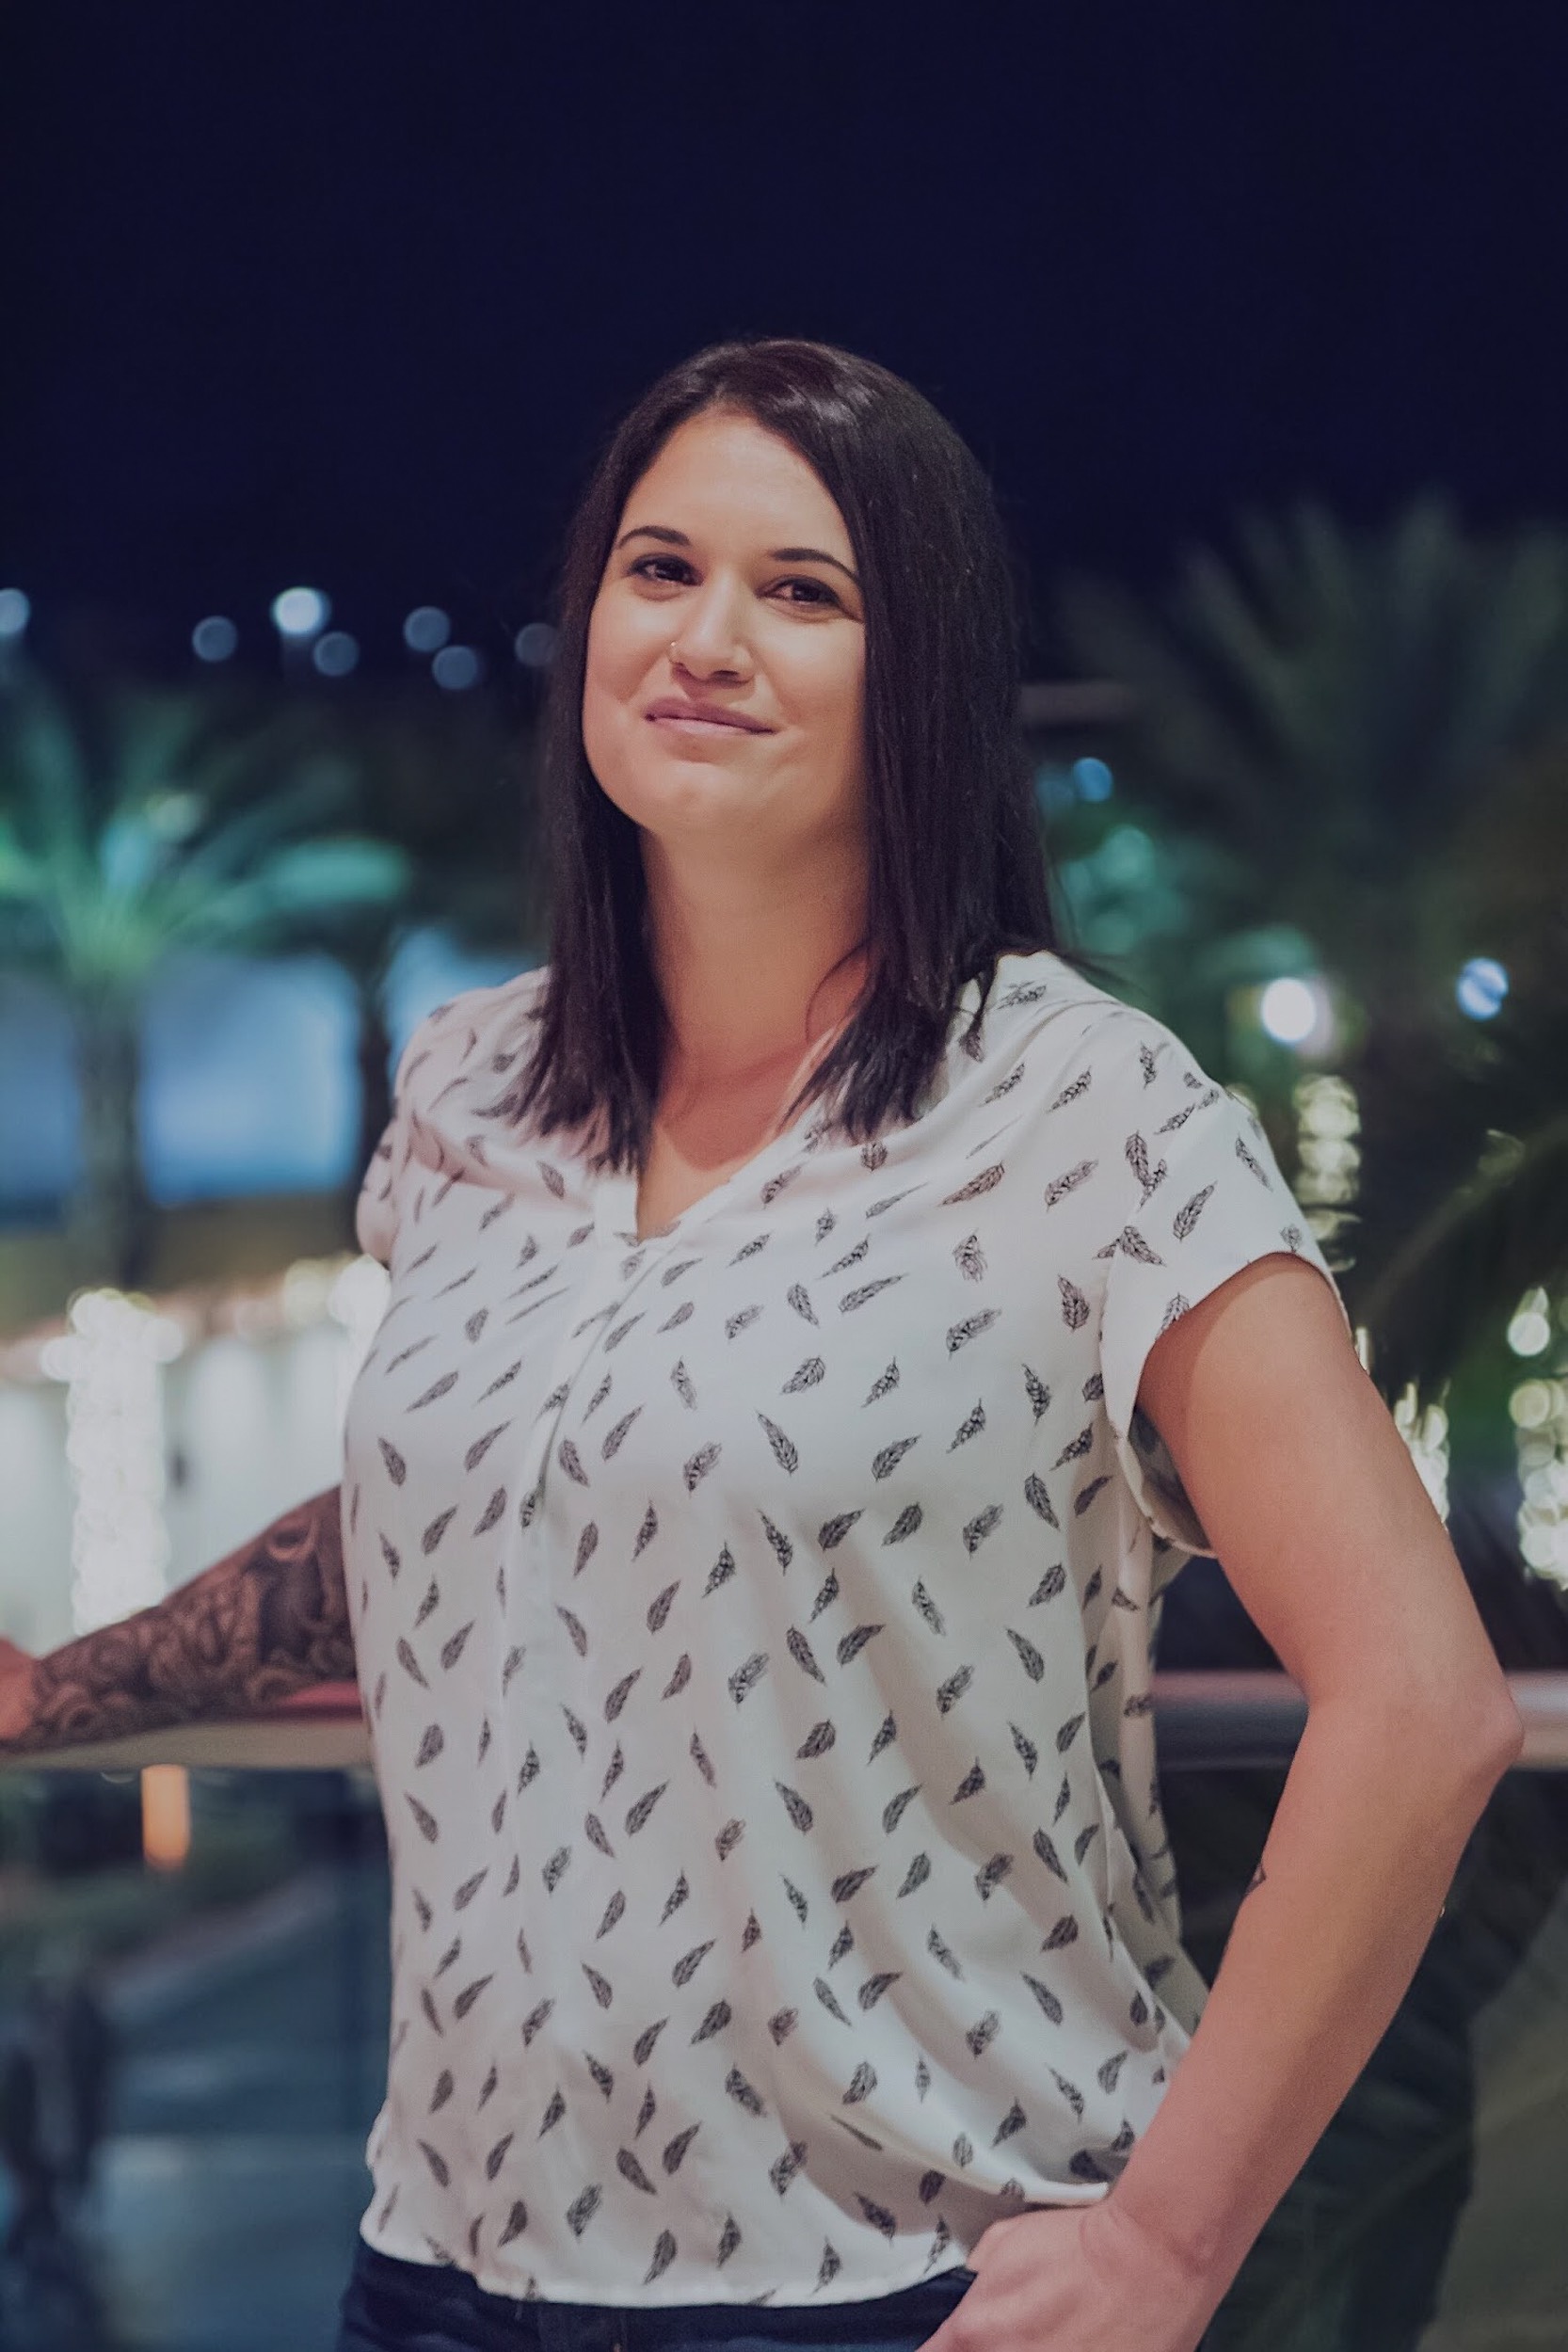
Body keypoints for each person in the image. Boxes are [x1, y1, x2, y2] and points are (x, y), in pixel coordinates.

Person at [0, 338, 1521, 2352]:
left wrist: (1166, 2242)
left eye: (803, 591)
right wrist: (59, 1692)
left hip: (896, 2285)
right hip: (445, 2268)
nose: (708, 635)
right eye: (659, 567)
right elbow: (451, 1506)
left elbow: (1420, 1699)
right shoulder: (471, 1085)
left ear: (926, 678)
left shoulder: (1080, 1110)